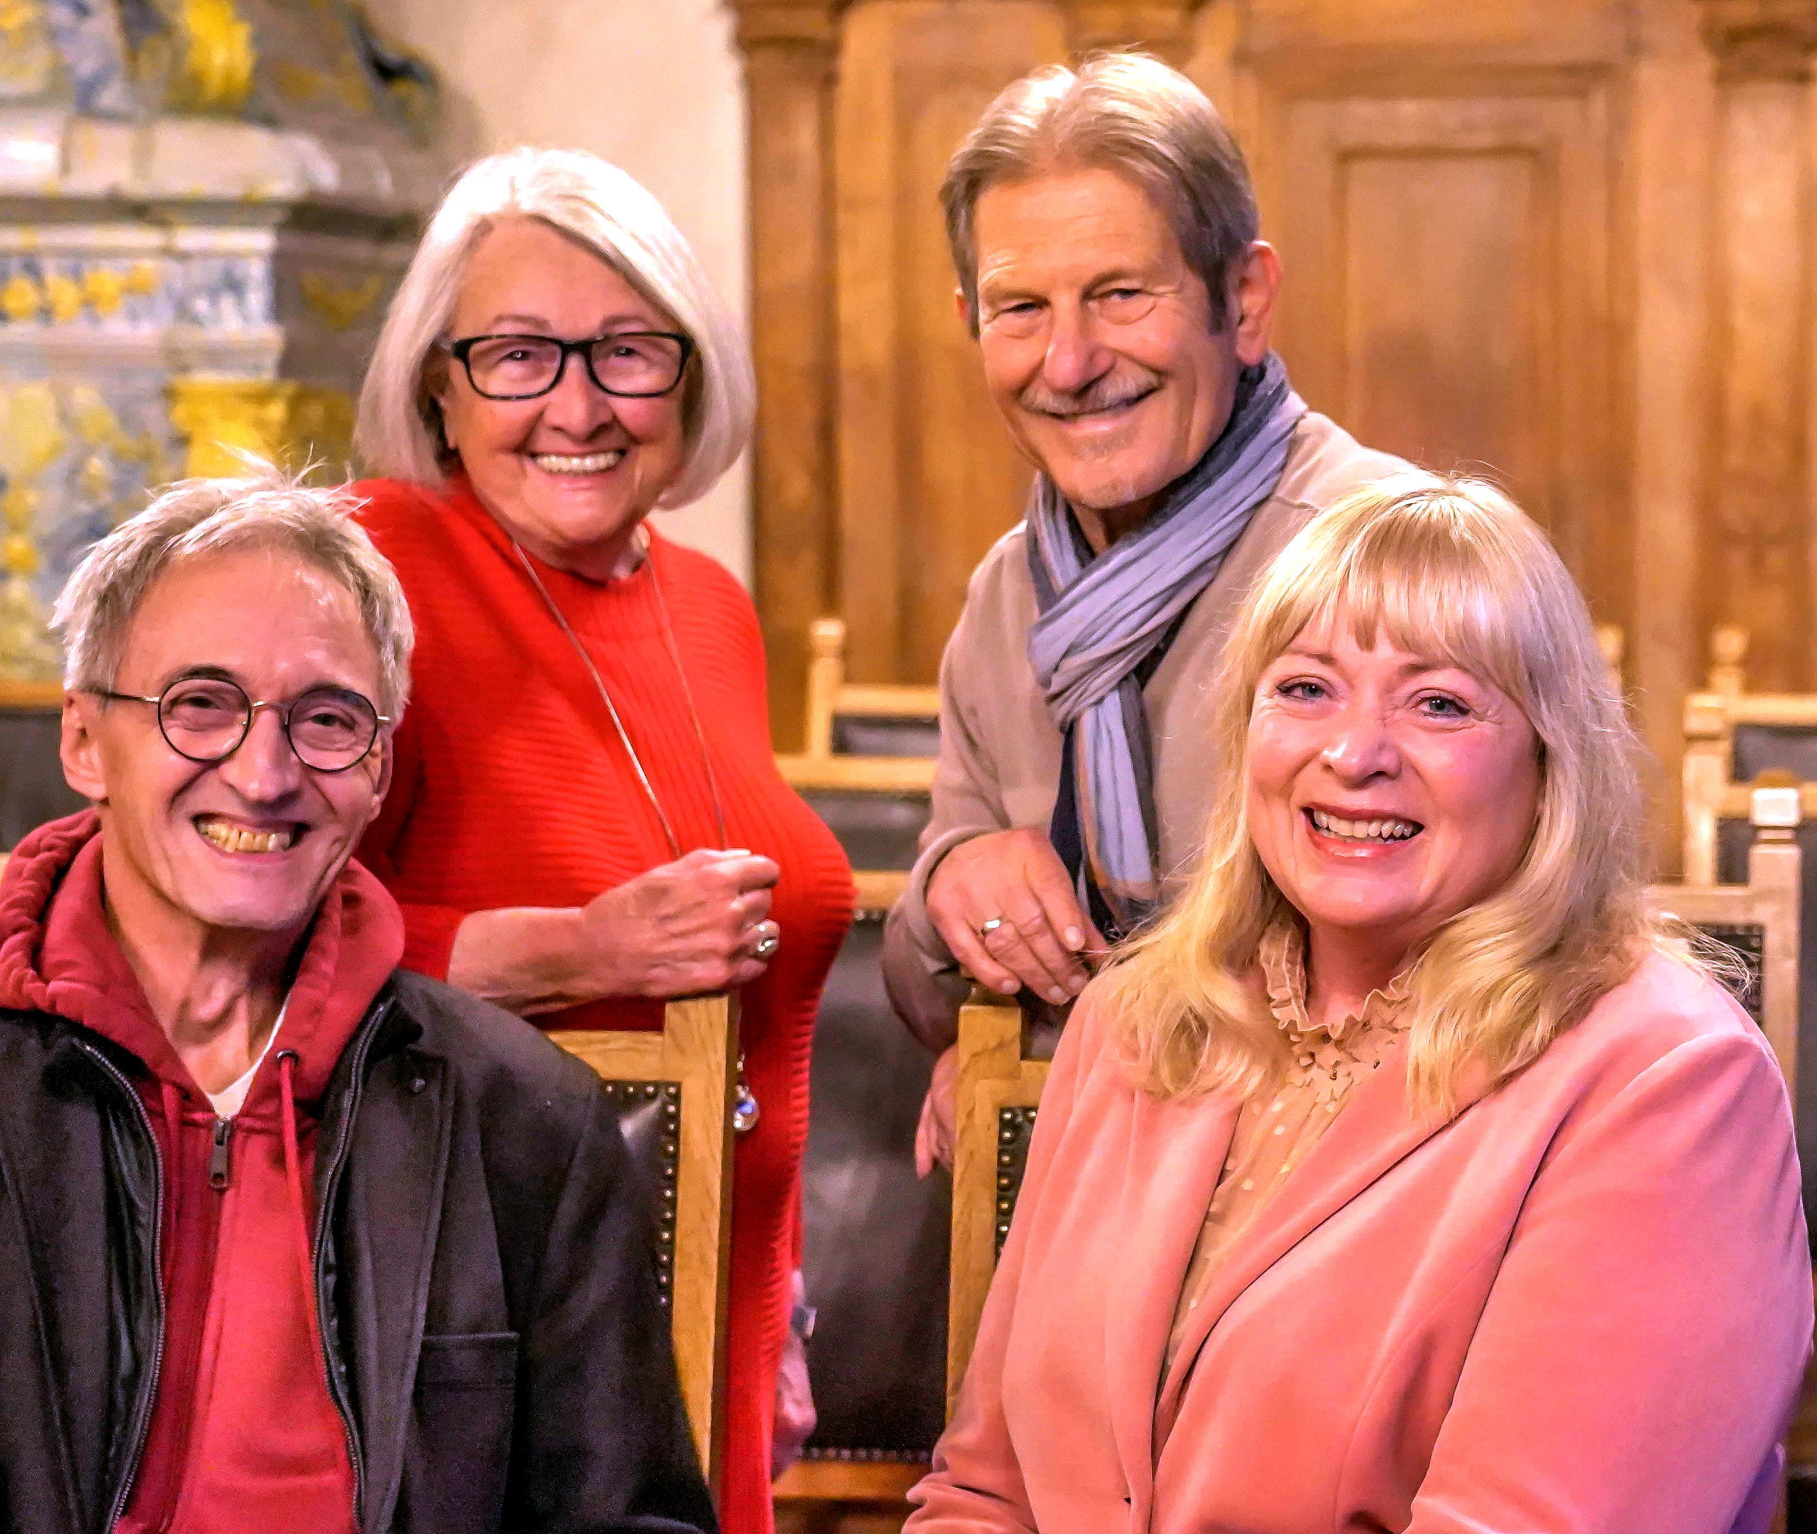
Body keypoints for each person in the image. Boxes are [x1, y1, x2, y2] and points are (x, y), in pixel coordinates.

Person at [908, 472, 1813, 1533]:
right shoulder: (1138, 1017)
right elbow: (983, 1492)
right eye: (1303, 689)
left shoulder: (1667, 1082)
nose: (1353, 754)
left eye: (1438, 703)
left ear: (1546, 761)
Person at [0, 474, 713, 1534]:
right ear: (84, 742)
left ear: (378, 767)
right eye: (201, 704)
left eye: (327, 719)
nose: (264, 771)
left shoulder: (529, 1118)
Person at [349, 146, 853, 1529]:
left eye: (627, 351)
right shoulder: (362, 576)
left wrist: (779, 1292)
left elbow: (759, 1023)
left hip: (716, 1302)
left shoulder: (709, 603)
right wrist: (577, 947)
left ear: (689, 377)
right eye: (516, 354)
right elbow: (247, 951)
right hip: (474, 1329)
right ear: (437, 384)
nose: (575, 403)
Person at [879, 52, 1409, 1172]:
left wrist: (1089, 1053)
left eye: (1121, 295)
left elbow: (1490, 975)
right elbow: (923, 993)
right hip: (1092, 1185)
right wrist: (950, 885)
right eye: (1020, 308)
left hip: (1353, 1190)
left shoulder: (1392, 560)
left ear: (1244, 300)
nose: (1067, 362)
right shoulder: (1007, 591)